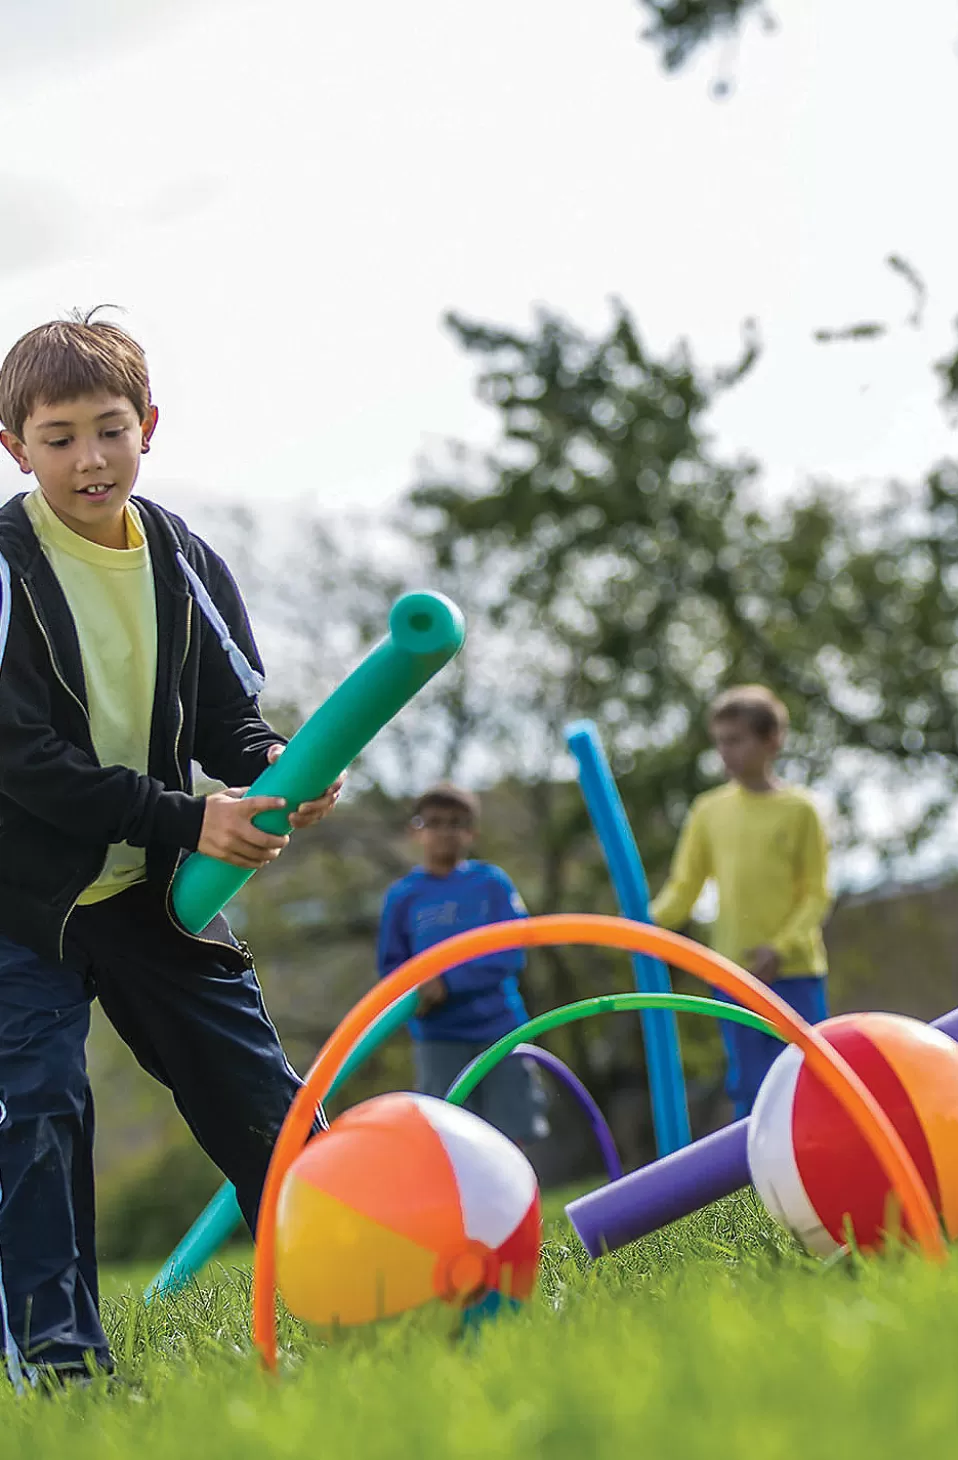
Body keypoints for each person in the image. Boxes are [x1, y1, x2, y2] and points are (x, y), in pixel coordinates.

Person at [0, 311, 342, 1384]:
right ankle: (61, 1358)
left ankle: (362, 1288)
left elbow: (225, 719)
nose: (89, 459)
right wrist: (190, 816)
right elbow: (23, 761)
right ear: (14, 446)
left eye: (109, 429)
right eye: (58, 438)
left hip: (152, 892)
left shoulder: (182, 556)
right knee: (40, 1106)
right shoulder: (4, 570)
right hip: (20, 901)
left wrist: (280, 762)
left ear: (149, 424)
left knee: (263, 1100)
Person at [651, 685, 832, 1120]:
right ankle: (755, 1182)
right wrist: (643, 925)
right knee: (751, 1086)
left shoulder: (800, 810)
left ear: (771, 741)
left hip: (796, 972)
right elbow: (684, 887)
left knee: (810, 1077)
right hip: (734, 973)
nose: (726, 753)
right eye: (720, 742)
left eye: (736, 740)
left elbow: (817, 895)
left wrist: (780, 948)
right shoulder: (707, 811)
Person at [377, 783, 547, 1145]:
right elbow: (391, 970)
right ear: (416, 831)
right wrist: (417, 990)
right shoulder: (403, 897)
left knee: (513, 1137)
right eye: (434, 822)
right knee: (450, 1142)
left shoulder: (491, 883)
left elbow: (510, 951)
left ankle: (522, 1203)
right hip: (439, 1038)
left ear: (471, 832)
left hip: (499, 1029)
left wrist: (449, 982)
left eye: (456, 823)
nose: (445, 832)